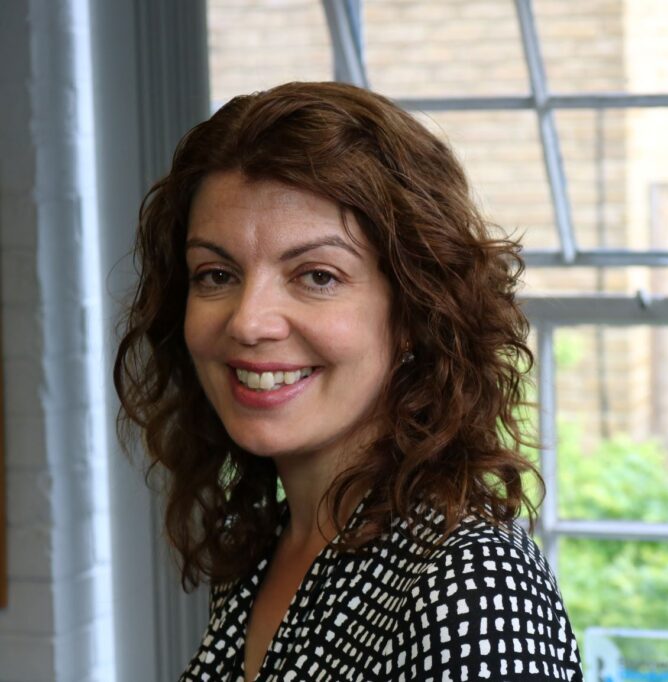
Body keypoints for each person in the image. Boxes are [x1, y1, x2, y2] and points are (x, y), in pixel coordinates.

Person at [114, 81, 582, 682]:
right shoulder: (272, 548)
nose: (249, 321)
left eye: (317, 275)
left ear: (416, 311)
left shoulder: (476, 589)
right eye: (216, 273)